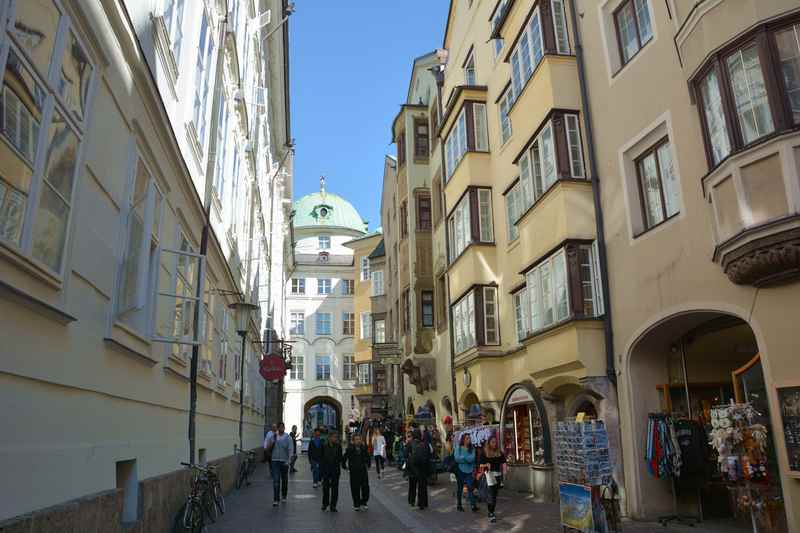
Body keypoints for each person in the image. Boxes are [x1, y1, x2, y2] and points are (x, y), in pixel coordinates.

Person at [480, 436, 507, 523]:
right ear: (488, 443)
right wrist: (486, 465)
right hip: (489, 475)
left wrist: (505, 471)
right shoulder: (484, 452)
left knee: (494, 496)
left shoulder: (499, 452)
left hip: (498, 475)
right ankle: (491, 513)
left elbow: (503, 462)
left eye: (495, 442)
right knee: (491, 495)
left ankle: (491, 510)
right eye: (492, 442)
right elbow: (480, 465)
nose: (494, 444)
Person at [343, 433, 371, 511]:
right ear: (353, 441)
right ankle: (356, 503)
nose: (358, 441)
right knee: (355, 488)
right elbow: (344, 458)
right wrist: (345, 467)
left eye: (359, 439)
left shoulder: (363, 448)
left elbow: (367, 457)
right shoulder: (350, 449)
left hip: (363, 471)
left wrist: (368, 465)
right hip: (354, 471)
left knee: (365, 487)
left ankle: (364, 501)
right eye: (356, 439)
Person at [268, 422, 292, 507]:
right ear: (278, 428)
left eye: (283, 427)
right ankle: (276, 499)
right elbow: (268, 447)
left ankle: (284, 495)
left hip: (284, 461)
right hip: (275, 461)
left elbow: (290, 450)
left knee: (284, 480)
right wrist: (273, 441)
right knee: (276, 480)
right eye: (280, 427)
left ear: (284, 428)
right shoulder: (273, 436)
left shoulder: (288, 437)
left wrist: (288, 461)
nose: (281, 428)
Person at [407, 430, 431, 510]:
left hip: (412, 467)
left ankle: (412, 500)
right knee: (422, 486)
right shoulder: (425, 444)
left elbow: (405, 454)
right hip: (423, 467)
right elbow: (430, 454)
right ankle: (423, 503)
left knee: (412, 485)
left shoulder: (410, 443)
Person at [454, 434, 478, 512]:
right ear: (463, 439)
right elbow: (457, 458)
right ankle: (459, 505)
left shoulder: (472, 448)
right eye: (467, 438)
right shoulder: (458, 448)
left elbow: (472, 458)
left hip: (470, 471)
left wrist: (463, 458)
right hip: (460, 471)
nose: (469, 439)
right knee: (460, 488)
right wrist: (467, 459)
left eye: (469, 438)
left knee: (470, 487)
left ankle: (473, 505)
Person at [320, 431, 343, 512]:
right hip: (326, 470)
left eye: (336, 437)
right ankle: (325, 504)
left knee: (335, 489)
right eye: (334, 437)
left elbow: (340, 458)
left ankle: (333, 506)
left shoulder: (338, 446)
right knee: (325, 488)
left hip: (335, 470)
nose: (335, 439)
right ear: (329, 437)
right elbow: (321, 458)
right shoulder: (324, 446)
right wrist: (321, 471)